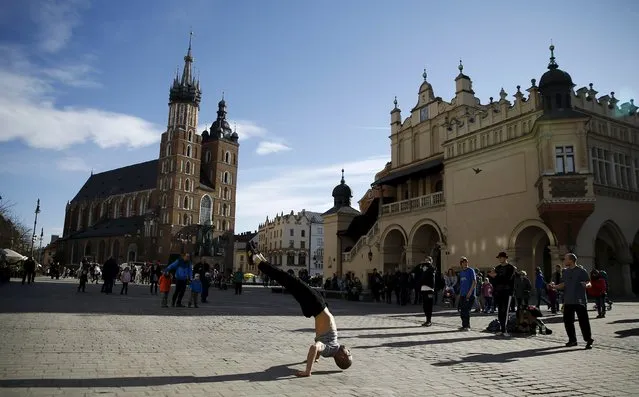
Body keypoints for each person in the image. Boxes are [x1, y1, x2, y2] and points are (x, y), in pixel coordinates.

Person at [247, 241, 352, 377]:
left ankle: (256, 259)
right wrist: (316, 358)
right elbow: (319, 347)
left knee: (288, 279)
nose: (349, 350)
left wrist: (308, 371)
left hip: (316, 305)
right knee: (287, 280)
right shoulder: (332, 348)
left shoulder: (330, 349)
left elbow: (315, 347)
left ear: (342, 357)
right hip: (317, 306)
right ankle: (259, 257)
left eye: (348, 354)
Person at [551, 253, 594, 349]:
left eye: (565, 259)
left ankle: (588, 340)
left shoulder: (581, 271)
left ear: (571, 260)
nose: (564, 261)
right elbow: (564, 284)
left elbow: (589, 283)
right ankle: (572, 340)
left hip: (579, 301)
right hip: (568, 300)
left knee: (583, 322)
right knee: (568, 322)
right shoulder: (565, 272)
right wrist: (555, 287)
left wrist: (586, 285)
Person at [488, 252, 517, 336]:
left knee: (506, 311)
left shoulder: (510, 268)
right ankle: (501, 328)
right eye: (499, 258)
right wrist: (492, 276)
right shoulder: (497, 268)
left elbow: (507, 279)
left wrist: (496, 276)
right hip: (498, 292)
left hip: (507, 291)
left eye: (501, 257)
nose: (500, 259)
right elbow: (494, 281)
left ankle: (505, 330)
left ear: (505, 258)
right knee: (500, 311)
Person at [458, 257, 476, 331]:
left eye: (466, 261)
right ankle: (464, 325)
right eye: (463, 262)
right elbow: (461, 284)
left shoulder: (471, 270)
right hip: (462, 294)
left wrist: (470, 292)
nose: (465, 263)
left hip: (469, 294)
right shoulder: (461, 272)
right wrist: (460, 293)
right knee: (462, 310)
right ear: (461, 264)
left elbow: (474, 282)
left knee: (466, 310)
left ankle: (467, 326)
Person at [418, 257, 436, 327]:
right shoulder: (423, 268)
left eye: (428, 261)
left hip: (429, 289)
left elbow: (432, 273)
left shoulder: (432, 268)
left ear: (431, 262)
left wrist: (429, 265)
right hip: (423, 289)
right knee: (425, 306)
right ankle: (426, 320)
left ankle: (429, 320)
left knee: (429, 305)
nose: (426, 262)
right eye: (425, 261)